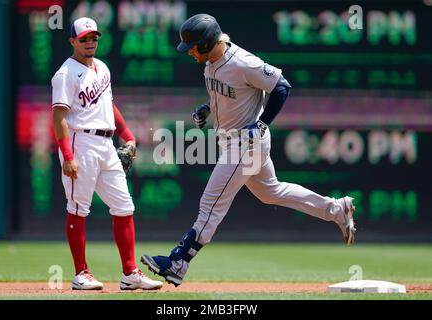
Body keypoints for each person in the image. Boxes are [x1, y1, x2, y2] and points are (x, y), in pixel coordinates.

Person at [141, 14, 356, 287]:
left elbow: (281, 86)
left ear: (207, 42)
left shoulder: (242, 62)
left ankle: (177, 261)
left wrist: (262, 124)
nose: (190, 51)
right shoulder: (211, 62)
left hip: (246, 143)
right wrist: (208, 108)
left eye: (194, 46)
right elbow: (228, 93)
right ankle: (337, 209)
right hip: (234, 141)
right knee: (271, 192)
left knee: (211, 203)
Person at [51, 17, 162, 291]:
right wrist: (68, 156)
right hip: (80, 142)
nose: (90, 43)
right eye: (84, 38)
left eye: (94, 38)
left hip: (106, 143)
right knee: (78, 208)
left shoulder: (102, 67)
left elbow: (108, 105)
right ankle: (81, 273)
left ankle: (130, 273)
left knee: (124, 207)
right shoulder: (65, 74)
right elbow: (59, 118)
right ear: (72, 41)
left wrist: (127, 135)